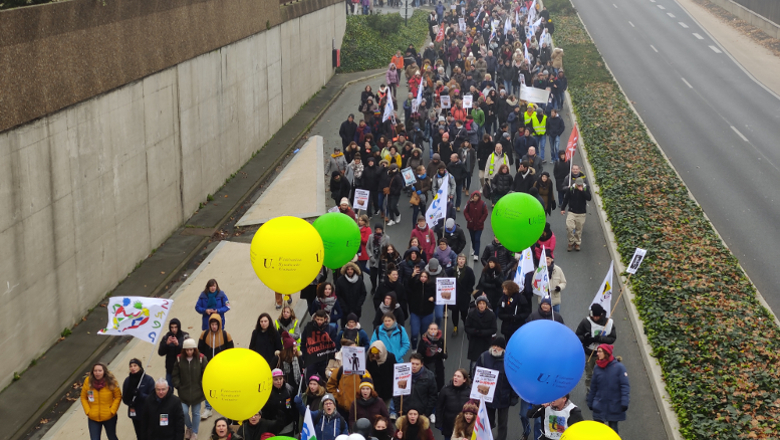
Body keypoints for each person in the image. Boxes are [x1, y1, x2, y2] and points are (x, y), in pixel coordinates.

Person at [475, 336, 516, 440]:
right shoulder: (484, 357)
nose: (495, 348)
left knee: (502, 424)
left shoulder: (509, 361)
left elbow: (514, 380)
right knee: (488, 422)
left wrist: (514, 397)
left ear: (503, 349)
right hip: (487, 396)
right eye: (494, 345)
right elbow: (476, 373)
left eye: (498, 346)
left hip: (504, 398)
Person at [587, 344, 630, 434]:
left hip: (614, 406)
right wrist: (590, 401)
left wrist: (624, 402)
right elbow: (593, 387)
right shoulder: (597, 368)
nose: (597, 353)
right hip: (599, 405)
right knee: (598, 433)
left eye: (599, 351)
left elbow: (624, 386)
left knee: (612, 432)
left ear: (606, 353)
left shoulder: (619, 368)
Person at [198, 313, 233, 419]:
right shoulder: (204, 334)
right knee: (208, 386)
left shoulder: (226, 335)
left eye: (215, 324)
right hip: (207, 366)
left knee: (223, 385)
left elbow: (230, 351)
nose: (214, 326)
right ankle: (208, 408)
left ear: (219, 324)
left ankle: (225, 407)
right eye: (212, 324)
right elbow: (200, 350)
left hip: (221, 366)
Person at [576, 304, 617, 391]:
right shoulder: (585, 322)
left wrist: (601, 339)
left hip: (603, 354)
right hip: (589, 352)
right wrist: (586, 338)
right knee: (589, 374)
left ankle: (601, 391)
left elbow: (612, 338)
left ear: (601, 315)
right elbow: (577, 336)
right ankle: (589, 391)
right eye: (593, 316)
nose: (595, 318)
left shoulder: (609, 323)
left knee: (602, 373)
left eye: (597, 316)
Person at [173, 338, 208, 440]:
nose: (189, 352)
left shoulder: (201, 359)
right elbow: (175, 374)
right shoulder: (179, 360)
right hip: (183, 392)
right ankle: (189, 427)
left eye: (191, 350)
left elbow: (206, 374)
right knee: (183, 412)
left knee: (196, 413)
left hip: (197, 392)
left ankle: (195, 432)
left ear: (194, 349)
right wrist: (178, 385)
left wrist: (202, 385)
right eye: (187, 350)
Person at [81, 362, 122, 440]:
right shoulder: (88, 381)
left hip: (109, 417)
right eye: (95, 371)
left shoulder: (111, 381)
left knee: (112, 437)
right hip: (93, 417)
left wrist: (112, 410)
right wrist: (88, 411)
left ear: (104, 371)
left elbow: (118, 397)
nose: (97, 373)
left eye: (100, 371)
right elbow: (83, 397)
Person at [122, 358, 155, 440]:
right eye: (131, 366)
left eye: (135, 365)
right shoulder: (127, 381)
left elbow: (152, 398)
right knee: (139, 435)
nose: (133, 368)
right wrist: (129, 402)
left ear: (140, 367)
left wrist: (140, 395)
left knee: (148, 435)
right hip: (135, 413)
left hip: (147, 413)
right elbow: (124, 398)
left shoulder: (148, 380)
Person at [464, 295, 497, 374]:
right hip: (474, 341)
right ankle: (472, 377)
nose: (482, 305)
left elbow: (494, 329)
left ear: (486, 305)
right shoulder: (471, 314)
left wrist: (483, 332)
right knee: (474, 363)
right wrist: (475, 331)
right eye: (480, 303)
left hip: (486, 341)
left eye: (483, 303)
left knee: (486, 362)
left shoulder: (491, 315)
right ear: (477, 305)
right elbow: (467, 327)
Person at [302, 310, 338, 379]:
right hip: (311, 360)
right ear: (315, 318)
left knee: (326, 382)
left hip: (325, 361)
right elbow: (303, 343)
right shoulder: (308, 328)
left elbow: (334, 345)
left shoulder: (331, 329)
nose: (319, 322)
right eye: (318, 319)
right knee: (310, 381)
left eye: (321, 320)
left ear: (325, 319)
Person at [434, 370, 471, 439]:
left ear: (464, 380)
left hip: (464, 426)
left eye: (458, 376)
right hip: (449, 425)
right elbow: (439, 407)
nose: (455, 378)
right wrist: (439, 423)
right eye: (455, 375)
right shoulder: (445, 390)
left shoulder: (470, 391)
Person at [157, 317, 188, 394]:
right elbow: (160, 352)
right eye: (172, 327)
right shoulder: (166, 337)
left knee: (183, 391)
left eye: (175, 327)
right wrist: (166, 344)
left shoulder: (185, 336)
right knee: (168, 391)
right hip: (170, 369)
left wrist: (178, 345)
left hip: (182, 368)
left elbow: (189, 352)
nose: (174, 329)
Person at [560, 177, 592, 252]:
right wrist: (563, 208)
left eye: (580, 185)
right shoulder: (571, 189)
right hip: (572, 211)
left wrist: (582, 191)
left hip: (581, 213)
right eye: (578, 185)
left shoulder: (585, 189)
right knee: (569, 227)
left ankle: (577, 243)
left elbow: (589, 198)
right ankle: (570, 242)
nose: (579, 186)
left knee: (579, 229)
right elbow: (566, 198)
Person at [406, 271, 436, 349]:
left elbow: (438, 294)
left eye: (425, 277)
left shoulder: (432, 285)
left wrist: (434, 298)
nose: (423, 278)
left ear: (428, 278)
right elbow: (408, 285)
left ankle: (423, 349)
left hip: (427, 313)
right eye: (422, 276)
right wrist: (412, 276)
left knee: (424, 334)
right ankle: (414, 348)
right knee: (414, 333)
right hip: (415, 313)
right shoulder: (415, 284)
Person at [264, 369, 298, 436]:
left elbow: (294, 408)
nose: (279, 381)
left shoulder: (289, 389)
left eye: (280, 378)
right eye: (276, 379)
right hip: (272, 426)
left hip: (288, 426)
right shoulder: (267, 392)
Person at [417, 323, 446, 391]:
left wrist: (442, 354)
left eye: (435, 329)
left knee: (438, 383)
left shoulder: (441, 341)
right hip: (427, 364)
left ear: (437, 330)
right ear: (428, 330)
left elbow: (443, 351)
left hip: (437, 365)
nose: (433, 331)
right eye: (431, 329)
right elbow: (419, 354)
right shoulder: (423, 341)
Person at [451, 254, 475, 336]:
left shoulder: (469, 271)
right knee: (454, 312)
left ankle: (465, 321)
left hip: (464, 295)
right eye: (460, 259)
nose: (461, 261)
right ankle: (455, 326)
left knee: (464, 311)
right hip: (454, 296)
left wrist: (468, 292)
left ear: (465, 261)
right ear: (457, 260)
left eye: (463, 259)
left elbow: (472, 281)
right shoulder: (452, 270)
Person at [463, 191, 488, 261]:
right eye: (474, 196)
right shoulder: (469, 203)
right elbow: (465, 211)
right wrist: (469, 219)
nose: (475, 198)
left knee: (477, 239)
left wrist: (480, 221)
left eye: (477, 196)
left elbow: (485, 213)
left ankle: (476, 254)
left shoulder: (483, 204)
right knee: (473, 238)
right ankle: (474, 249)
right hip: (471, 225)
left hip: (479, 226)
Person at [367, 225, 391, 293]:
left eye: (379, 229)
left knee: (381, 276)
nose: (378, 231)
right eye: (377, 229)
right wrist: (370, 256)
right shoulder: (371, 237)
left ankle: (380, 289)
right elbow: (367, 247)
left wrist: (384, 252)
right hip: (373, 260)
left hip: (381, 261)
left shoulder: (386, 238)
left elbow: (388, 249)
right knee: (373, 276)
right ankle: (374, 286)